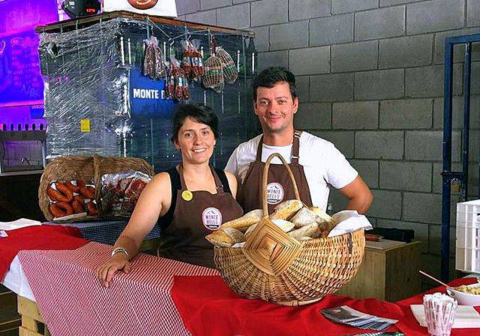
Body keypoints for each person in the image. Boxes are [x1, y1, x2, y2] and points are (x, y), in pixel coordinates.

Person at [96, 104, 243, 287]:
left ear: (214, 139)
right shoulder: (163, 184)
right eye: (188, 134)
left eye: (205, 132)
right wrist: (119, 256)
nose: (198, 141)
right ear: (176, 142)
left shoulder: (229, 181)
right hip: (183, 285)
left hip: (231, 283)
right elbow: (132, 236)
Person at [226, 67, 373, 215]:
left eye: (281, 101)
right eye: (264, 102)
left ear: (294, 104)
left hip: (306, 239)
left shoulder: (320, 150)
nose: (273, 109)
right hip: (255, 239)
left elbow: (362, 197)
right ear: (255, 107)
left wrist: (332, 232)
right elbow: (222, 200)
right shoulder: (242, 153)